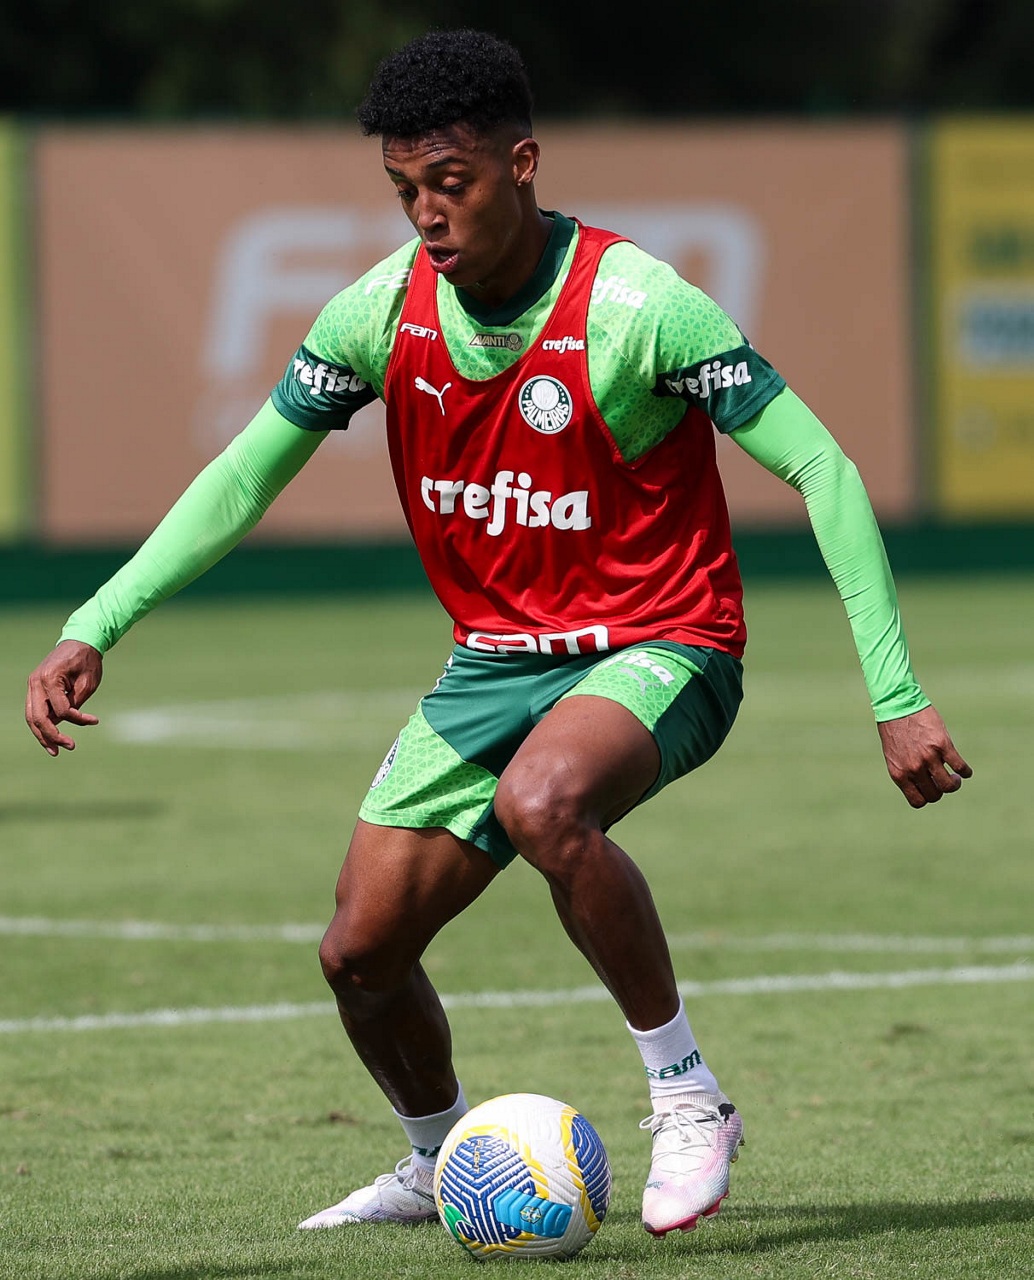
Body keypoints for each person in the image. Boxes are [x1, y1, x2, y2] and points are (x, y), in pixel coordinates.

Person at [25, 29, 970, 1240]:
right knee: (358, 952)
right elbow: (242, 477)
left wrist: (894, 695)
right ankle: (436, 1156)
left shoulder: (636, 306)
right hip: (494, 661)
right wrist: (96, 622)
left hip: (662, 640)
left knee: (542, 802)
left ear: (519, 164)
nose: (427, 213)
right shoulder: (379, 313)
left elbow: (822, 467)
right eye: (403, 189)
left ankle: (689, 1098)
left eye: (450, 182)